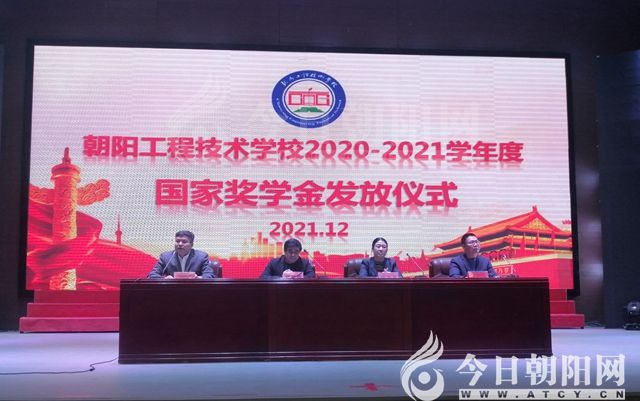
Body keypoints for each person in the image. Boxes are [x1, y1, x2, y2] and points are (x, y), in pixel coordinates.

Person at [147, 230, 215, 279]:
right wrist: (165, 279)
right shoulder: (165, 257)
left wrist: (198, 278)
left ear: (191, 245)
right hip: (172, 290)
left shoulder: (201, 257)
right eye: (177, 241)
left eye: (184, 242)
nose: (180, 244)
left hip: (194, 290)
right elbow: (152, 275)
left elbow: (209, 275)